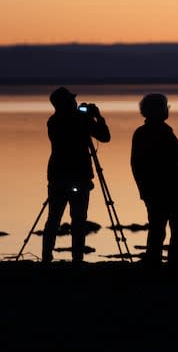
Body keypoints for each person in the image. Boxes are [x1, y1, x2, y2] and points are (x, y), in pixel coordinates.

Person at [42, 87, 110, 264]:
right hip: (79, 176)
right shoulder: (81, 120)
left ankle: (46, 258)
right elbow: (104, 136)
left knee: (53, 219)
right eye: (72, 100)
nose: (75, 102)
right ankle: (77, 259)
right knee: (79, 220)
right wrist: (97, 116)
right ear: (66, 102)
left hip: (57, 176)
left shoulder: (53, 121)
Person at [131, 93, 178, 268]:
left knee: (157, 228)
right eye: (166, 107)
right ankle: (175, 262)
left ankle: (153, 261)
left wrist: (143, 190)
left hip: (151, 190)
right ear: (159, 110)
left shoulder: (140, 133)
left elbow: (135, 164)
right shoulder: (163, 131)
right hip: (171, 188)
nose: (167, 110)